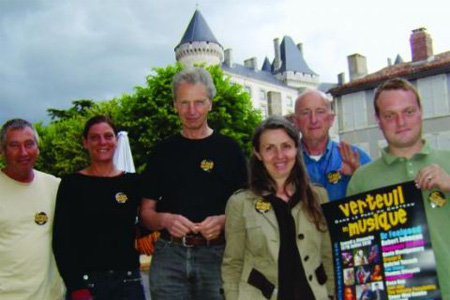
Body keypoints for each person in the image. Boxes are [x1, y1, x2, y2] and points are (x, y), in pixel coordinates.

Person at [140, 67, 248, 300]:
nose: (191, 111)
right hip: (170, 257)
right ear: (175, 105)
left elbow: (250, 210)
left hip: (218, 255)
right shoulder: (162, 152)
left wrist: (223, 221)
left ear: (210, 102)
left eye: (198, 102)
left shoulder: (230, 150)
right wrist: (165, 220)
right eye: (184, 102)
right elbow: (146, 214)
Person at [347, 78, 450, 298]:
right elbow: (358, 254)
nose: (400, 122)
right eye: (390, 115)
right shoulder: (362, 180)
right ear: (378, 120)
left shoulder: (448, 161)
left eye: (409, 111)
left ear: (421, 111)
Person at [222, 116, 334, 300]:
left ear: (296, 149)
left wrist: (330, 294)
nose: (279, 155)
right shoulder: (240, 203)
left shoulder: (318, 197)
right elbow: (232, 265)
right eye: (269, 148)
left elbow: (327, 256)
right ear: (258, 154)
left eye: (286, 146)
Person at [52, 115, 145, 300]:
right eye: (94, 137)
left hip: (129, 283)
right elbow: (62, 241)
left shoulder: (133, 183)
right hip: (88, 285)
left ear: (116, 141)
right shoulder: (72, 185)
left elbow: (148, 220)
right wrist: (76, 286)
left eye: (108, 136)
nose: (102, 142)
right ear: (85, 143)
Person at [0, 118, 64, 299]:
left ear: (38, 148)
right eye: (14, 145)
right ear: (2, 150)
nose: (23, 152)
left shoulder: (54, 186)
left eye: (29, 144)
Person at [294, 90, 371, 201]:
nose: (313, 120)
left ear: (331, 119)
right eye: (306, 113)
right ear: (296, 121)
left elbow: (379, 204)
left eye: (320, 112)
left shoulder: (357, 157)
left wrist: (358, 176)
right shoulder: (285, 162)